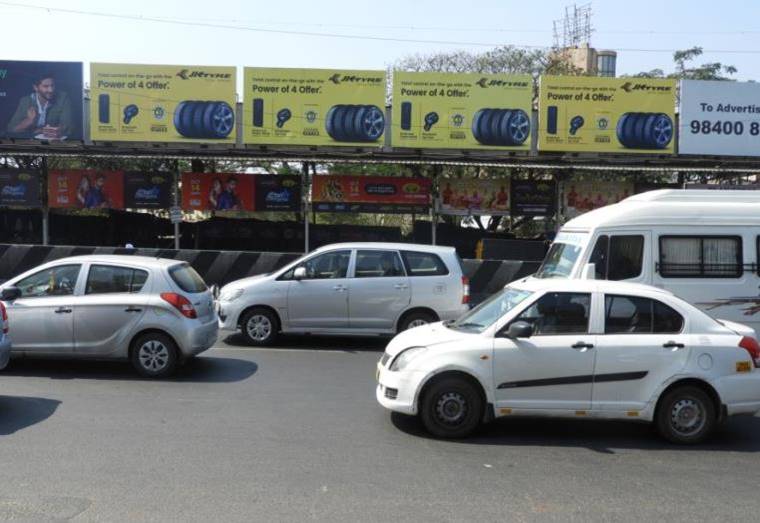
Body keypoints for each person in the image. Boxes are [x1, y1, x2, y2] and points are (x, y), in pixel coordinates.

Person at [6, 72, 74, 140]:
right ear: (36, 88)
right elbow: (11, 129)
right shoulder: (25, 101)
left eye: (52, 85)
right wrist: (28, 121)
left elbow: (68, 126)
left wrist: (60, 129)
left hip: (54, 144)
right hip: (29, 144)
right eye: (45, 86)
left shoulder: (63, 98)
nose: (51, 90)